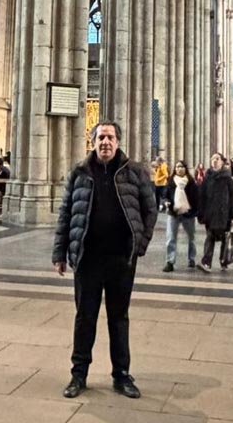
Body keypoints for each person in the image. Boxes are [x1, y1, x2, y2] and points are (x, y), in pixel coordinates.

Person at [52, 120, 157, 399]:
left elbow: (150, 210)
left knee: (118, 319)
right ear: (93, 141)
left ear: (118, 142)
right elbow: (66, 214)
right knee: (84, 318)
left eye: (110, 137)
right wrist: (60, 252)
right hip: (87, 259)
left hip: (121, 260)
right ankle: (78, 375)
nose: (105, 142)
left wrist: (140, 246)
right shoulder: (80, 173)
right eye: (100, 137)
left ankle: (121, 375)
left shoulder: (134, 172)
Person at [197, 153, 233, 271]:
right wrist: (201, 213)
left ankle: (224, 261)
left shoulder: (228, 179)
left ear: (222, 162)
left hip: (224, 214)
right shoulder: (207, 178)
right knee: (210, 237)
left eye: (217, 159)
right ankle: (206, 263)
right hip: (210, 214)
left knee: (225, 239)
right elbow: (202, 197)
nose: (214, 161)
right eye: (212, 159)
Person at [163, 160, 199, 272]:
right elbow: (165, 194)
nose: (179, 169)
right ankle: (170, 261)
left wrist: (194, 211)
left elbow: (196, 198)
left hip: (188, 214)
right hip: (173, 213)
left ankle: (191, 259)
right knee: (170, 238)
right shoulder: (171, 181)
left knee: (191, 238)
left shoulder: (191, 182)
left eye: (181, 167)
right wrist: (166, 202)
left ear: (185, 168)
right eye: (177, 167)